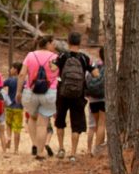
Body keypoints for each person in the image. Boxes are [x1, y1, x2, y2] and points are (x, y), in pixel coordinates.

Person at [53, 31, 98, 162]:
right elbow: (96, 74)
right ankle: (73, 153)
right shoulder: (84, 58)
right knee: (76, 124)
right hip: (78, 94)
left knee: (60, 121)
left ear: (68, 42)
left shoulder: (62, 55)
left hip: (62, 93)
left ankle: (61, 148)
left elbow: (53, 68)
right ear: (80, 42)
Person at [16, 35, 58, 160]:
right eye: (53, 43)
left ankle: (34, 144)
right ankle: (40, 152)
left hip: (31, 91)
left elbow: (22, 74)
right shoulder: (55, 57)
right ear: (48, 44)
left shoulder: (30, 55)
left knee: (32, 118)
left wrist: (18, 91)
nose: (55, 46)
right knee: (43, 124)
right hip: (49, 92)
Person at [86, 46, 106, 156]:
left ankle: (95, 148)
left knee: (96, 125)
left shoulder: (94, 65)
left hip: (93, 99)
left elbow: (87, 78)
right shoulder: (110, 68)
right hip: (104, 98)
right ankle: (97, 149)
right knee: (102, 124)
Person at [3, 62, 23, 154]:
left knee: (8, 125)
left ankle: (8, 139)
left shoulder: (10, 80)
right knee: (17, 129)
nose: (10, 70)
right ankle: (16, 149)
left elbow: (0, 85)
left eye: (11, 68)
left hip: (9, 106)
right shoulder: (23, 81)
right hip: (19, 108)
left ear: (15, 70)